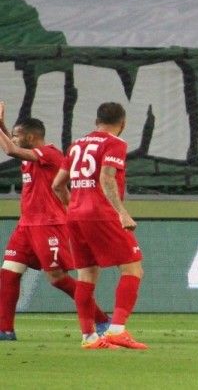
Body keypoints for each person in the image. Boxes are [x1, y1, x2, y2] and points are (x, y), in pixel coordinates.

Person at [0, 102, 109, 341]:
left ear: (31, 137)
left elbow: (11, 150)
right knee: (8, 274)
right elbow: (13, 147)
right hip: (25, 226)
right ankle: (5, 330)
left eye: (17, 135)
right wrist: (2, 126)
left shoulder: (49, 154)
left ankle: (101, 319)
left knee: (57, 279)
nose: (14, 139)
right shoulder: (30, 155)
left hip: (48, 224)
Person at [51, 102, 145, 350]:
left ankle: (89, 337)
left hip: (75, 216)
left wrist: (74, 207)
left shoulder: (76, 145)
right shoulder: (115, 143)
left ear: (96, 122)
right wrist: (122, 212)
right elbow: (106, 176)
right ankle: (117, 330)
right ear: (122, 123)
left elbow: (57, 185)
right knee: (132, 268)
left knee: (86, 275)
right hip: (102, 214)